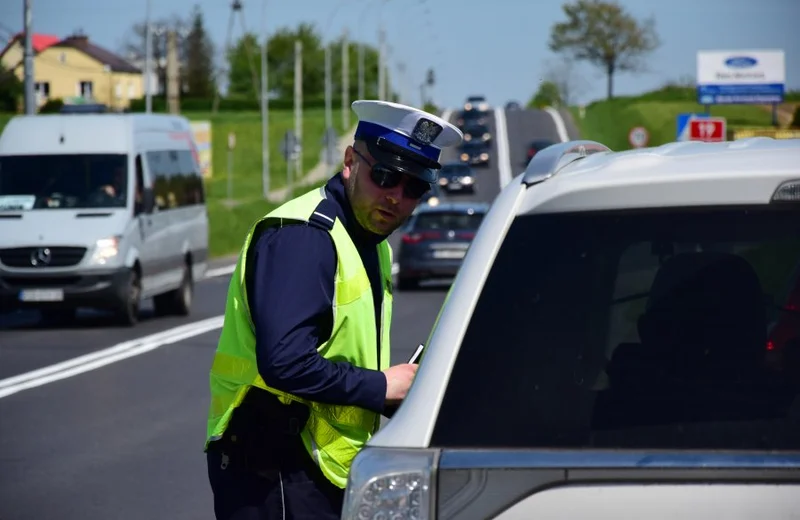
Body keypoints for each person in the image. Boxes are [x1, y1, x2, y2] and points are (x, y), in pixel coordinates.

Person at [204, 100, 464, 519]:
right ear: (350, 162)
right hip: (276, 469)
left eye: (414, 187)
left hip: (321, 470)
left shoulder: (367, 239)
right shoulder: (304, 238)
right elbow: (285, 363)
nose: (396, 196)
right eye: (385, 176)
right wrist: (381, 387)